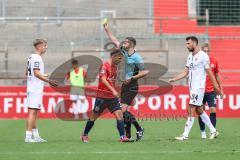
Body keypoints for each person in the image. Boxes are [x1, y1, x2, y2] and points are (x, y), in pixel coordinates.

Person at [168, 36, 223, 140]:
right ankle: (213, 130)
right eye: (186, 44)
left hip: (199, 87)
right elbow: (185, 72)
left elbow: (210, 73)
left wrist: (216, 86)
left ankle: (185, 135)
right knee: (199, 109)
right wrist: (174, 79)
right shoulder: (190, 56)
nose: (187, 45)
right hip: (192, 88)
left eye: (188, 43)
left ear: (194, 43)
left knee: (190, 109)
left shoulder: (203, 56)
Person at [104, 23, 149, 141]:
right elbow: (114, 40)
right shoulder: (123, 52)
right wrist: (107, 29)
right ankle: (128, 135)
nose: (124, 43)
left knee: (122, 110)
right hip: (124, 85)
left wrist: (132, 78)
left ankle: (139, 129)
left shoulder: (137, 57)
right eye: (123, 42)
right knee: (125, 112)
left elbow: (145, 72)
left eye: (126, 42)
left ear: (132, 44)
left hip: (132, 85)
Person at [81, 48, 132, 143]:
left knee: (119, 115)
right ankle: (84, 135)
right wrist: (113, 90)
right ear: (113, 56)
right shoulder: (105, 66)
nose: (120, 61)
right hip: (102, 97)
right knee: (93, 117)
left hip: (112, 98)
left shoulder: (115, 67)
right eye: (119, 59)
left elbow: (111, 80)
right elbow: (104, 80)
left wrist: (121, 83)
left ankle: (122, 137)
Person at [25, 39, 58, 143]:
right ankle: (28, 137)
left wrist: (43, 74)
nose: (46, 47)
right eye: (45, 45)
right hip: (35, 88)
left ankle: (35, 136)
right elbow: (36, 73)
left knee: (34, 112)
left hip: (33, 87)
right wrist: (49, 81)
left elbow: (27, 72)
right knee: (33, 112)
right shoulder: (37, 58)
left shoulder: (31, 57)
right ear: (39, 46)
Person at [198, 43, 224, 139]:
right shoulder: (198, 61)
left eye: (207, 51)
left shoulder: (214, 61)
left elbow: (217, 75)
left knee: (213, 109)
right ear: (201, 51)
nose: (206, 52)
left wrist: (221, 89)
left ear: (209, 51)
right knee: (201, 111)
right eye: (204, 51)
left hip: (211, 91)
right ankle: (203, 132)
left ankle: (213, 131)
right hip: (200, 90)